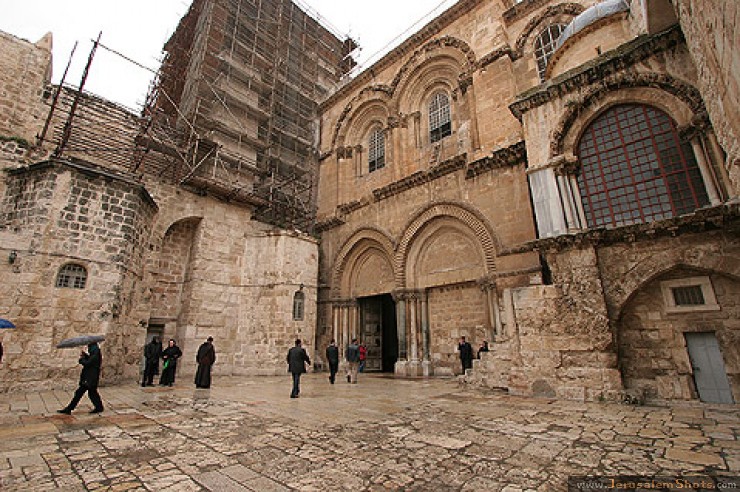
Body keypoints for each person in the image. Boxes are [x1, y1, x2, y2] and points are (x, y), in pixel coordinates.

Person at [58, 342, 104, 414]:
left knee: (80, 393)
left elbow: (88, 363)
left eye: (89, 346)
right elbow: (91, 360)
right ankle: (99, 407)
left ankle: (69, 409)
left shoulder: (96, 353)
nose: (88, 348)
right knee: (92, 393)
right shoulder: (95, 352)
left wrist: (81, 359)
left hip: (90, 377)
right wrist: (85, 355)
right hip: (90, 377)